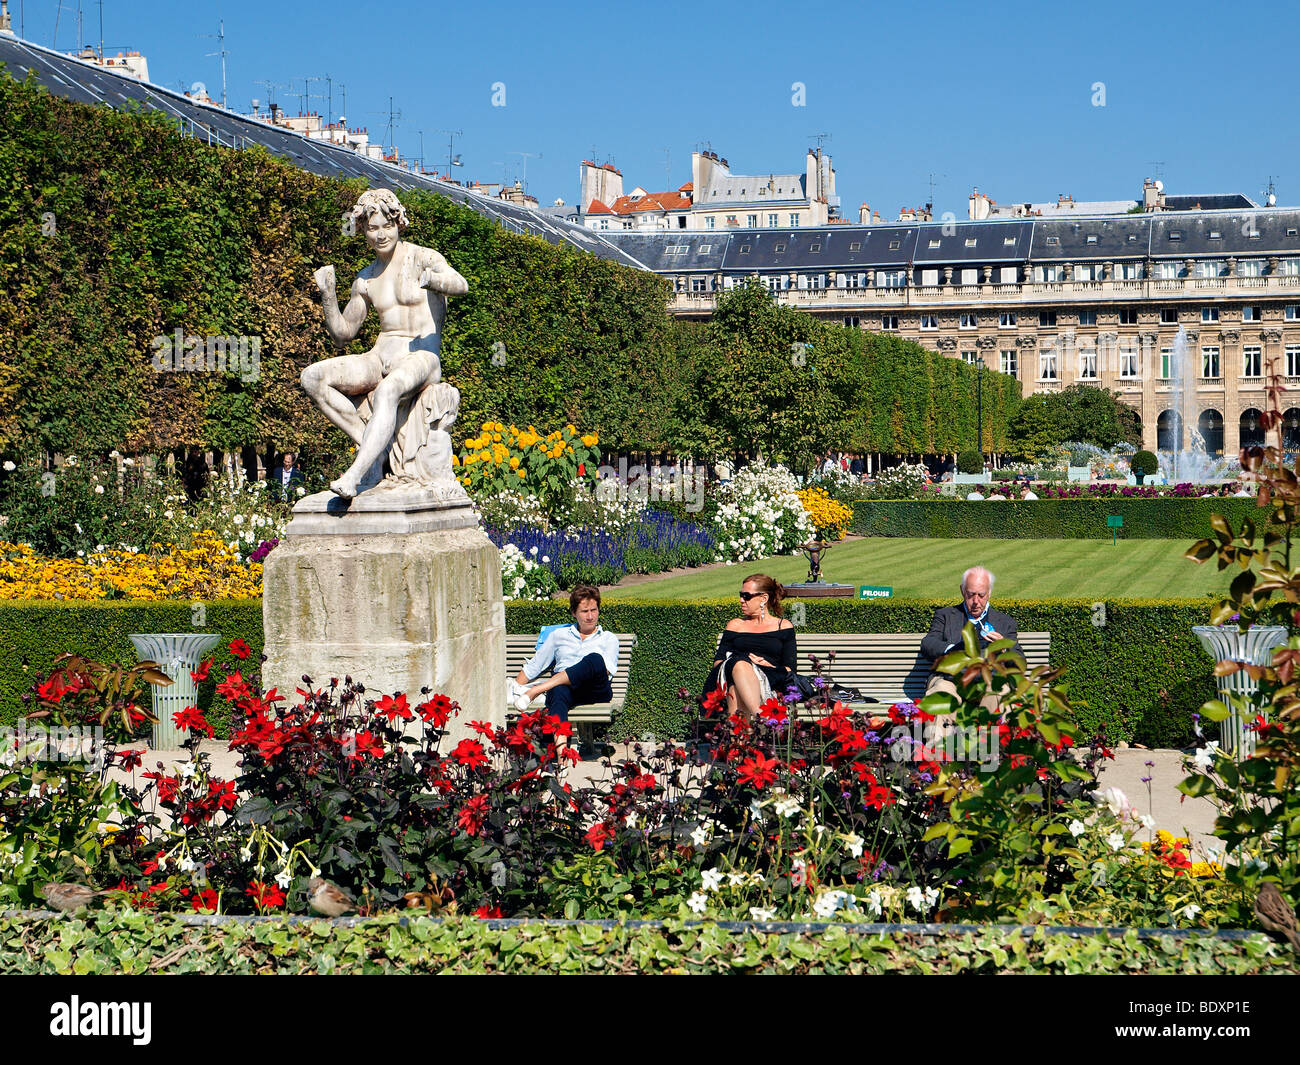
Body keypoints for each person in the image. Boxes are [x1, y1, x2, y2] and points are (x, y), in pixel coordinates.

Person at [305, 188, 468, 499]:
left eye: (386, 226)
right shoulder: (366, 279)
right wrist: (328, 296)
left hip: (421, 356)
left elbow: (461, 284)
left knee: (388, 390)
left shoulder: (423, 258)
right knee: (312, 378)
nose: (380, 235)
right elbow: (343, 334)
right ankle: (373, 448)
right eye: (372, 228)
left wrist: (432, 280)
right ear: (364, 230)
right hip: (380, 355)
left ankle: (355, 473)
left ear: (399, 223)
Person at [512, 585, 619, 724]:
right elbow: (534, 665)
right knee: (558, 692)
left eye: (594, 610)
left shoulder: (608, 638)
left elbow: (606, 671)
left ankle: (537, 690)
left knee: (595, 659)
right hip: (567, 691)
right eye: (584, 611)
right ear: (574, 613)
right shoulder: (559, 635)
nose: (590, 616)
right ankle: (560, 746)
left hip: (594, 690)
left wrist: (537, 689)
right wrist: (514, 688)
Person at [920, 566, 1022, 708]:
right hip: (950, 680)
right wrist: (952, 649)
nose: (975, 601)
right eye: (970, 594)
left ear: (989, 593)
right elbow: (928, 644)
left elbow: (1020, 661)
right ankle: (937, 731)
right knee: (940, 692)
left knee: (1000, 693)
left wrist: (1005, 647)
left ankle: (991, 730)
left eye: (981, 595)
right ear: (962, 590)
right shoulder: (945, 615)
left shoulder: (1005, 622)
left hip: (989, 682)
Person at [701, 574, 797, 719]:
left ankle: (741, 740)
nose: (741, 600)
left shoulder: (783, 626)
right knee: (738, 666)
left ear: (763, 599)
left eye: (746, 596)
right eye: (741, 595)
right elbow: (718, 661)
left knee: (735, 687)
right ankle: (761, 715)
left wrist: (767, 665)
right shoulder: (735, 625)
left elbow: (790, 668)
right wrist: (743, 665)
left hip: (768, 679)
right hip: (730, 676)